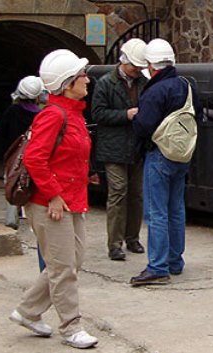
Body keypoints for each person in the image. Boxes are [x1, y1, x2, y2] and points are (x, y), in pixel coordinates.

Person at [9, 49, 98, 349]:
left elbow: (65, 157)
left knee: (72, 262)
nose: (87, 78)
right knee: (63, 268)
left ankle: (27, 311)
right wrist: (54, 196)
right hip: (52, 204)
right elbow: (35, 159)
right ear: (68, 83)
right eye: (82, 75)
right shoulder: (54, 115)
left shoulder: (71, 114)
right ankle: (71, 327)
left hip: (71, 199)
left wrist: (84, 178)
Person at [130, 38, 203, 286]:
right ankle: (175, 261)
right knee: (176, 210)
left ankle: (157, 267)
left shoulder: (155, 91)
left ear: (151, 66)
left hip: (159, 153)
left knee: (156, 213)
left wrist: (136, 119)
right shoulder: (186, 85)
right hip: (182, 154)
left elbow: (144, 126)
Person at [92, 38, 148, 261]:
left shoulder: (143, 82)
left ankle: (132, 238)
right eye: (136, 66)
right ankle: (115, 244)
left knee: (136, 194)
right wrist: (125, 115)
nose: (138, 70)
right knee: (118, 192)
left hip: (135, 145)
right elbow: (98, 114)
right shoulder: (105, 83)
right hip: (113, 146)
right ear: (125, 62)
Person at [1, 76, 45, 230]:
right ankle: (30, 214)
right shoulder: (39, 115)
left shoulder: (12, 111)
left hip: (14, 153)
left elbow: (3, 130)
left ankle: (11, 218)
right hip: (32, 152)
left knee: (12, 181)